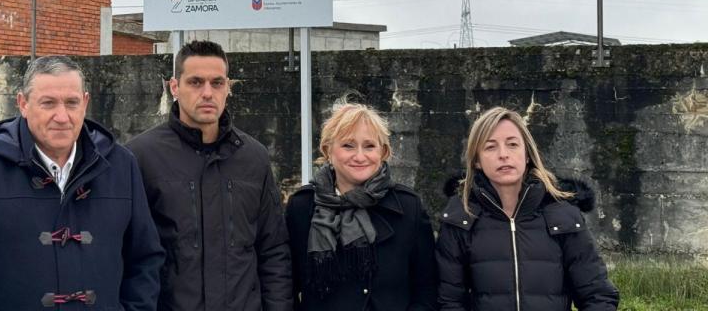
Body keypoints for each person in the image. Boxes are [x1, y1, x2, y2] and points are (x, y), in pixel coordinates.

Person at [0, 55, 163, 311]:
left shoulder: (120, 165)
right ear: (23, 104)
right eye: (48, 103)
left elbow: (145, 259)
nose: (62, 116)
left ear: (85, 103)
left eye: (71, 103)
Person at [126, 39, 292, 311]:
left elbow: (273, 251)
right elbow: (128, 253)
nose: (207, 93)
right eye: (195, 82)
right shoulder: (140, 157)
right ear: (174, 87)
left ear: (228, 87)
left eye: (217, 83)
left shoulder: (254, 158)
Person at [435, 106, 619, 311]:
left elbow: (597, 295)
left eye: (512, 144)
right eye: (490, 147)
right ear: (477, 160)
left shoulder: (563, 215)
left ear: (528, 154)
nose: (503, 154)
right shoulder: (460, 218)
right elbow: (448, 302)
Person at [285, 101, 438, 311]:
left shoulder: (408, 207)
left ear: (383, 152)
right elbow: (285, 286)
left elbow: (427, 289)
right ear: (328, 150)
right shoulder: (302, 207)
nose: (359, 156)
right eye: (348, 145)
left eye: (369, 146)